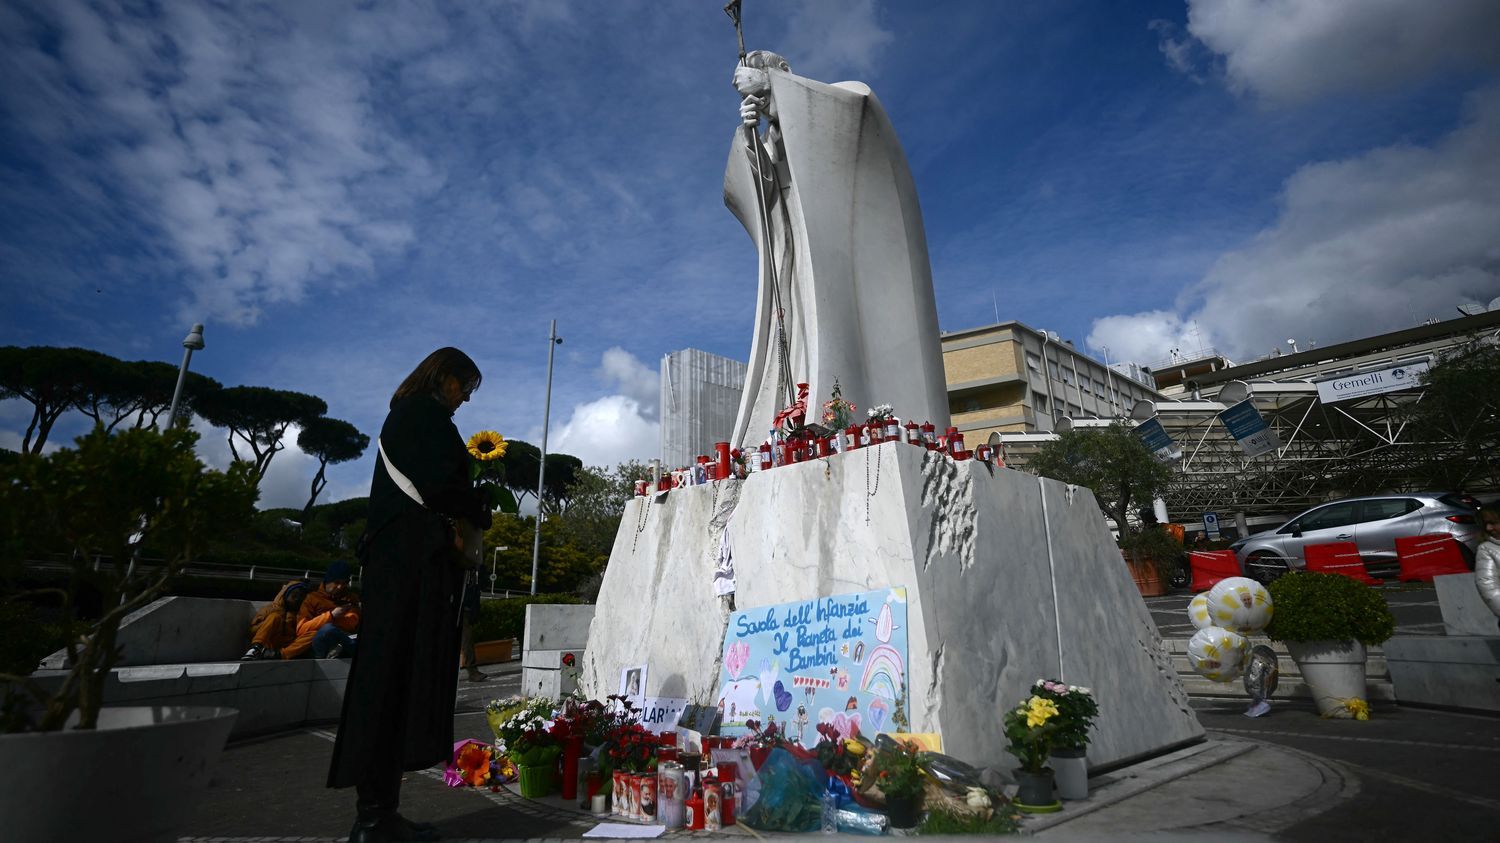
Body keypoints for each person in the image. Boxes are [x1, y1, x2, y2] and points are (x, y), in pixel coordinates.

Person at [724, 51, 950, 448]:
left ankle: (853, 419)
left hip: (830, 239)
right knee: (798, 334)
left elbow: (860, 105)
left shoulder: (838, 96)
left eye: (768, 78)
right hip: (792, 241)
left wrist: (774, 93)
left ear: (785, 74)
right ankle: (794, 423)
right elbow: (761, 195)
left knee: (830, 321)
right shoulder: (771, 137)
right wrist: (749, 137)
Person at [327, 348, 491, 843]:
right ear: (442, 377)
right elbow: (441, 485)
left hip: (398, 567)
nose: (465, 398)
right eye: (463, 385)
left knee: (390, 682)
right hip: (410, 571)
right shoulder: (423, 415)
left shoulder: (405, 417)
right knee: (396, 679)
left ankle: (378, 813)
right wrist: (478, 505)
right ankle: (374, 819)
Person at [288, 560, 361, 660]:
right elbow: (301, 629)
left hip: (345, 639)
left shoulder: (351, 598)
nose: (340, 587)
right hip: (318, 643)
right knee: (327, 630)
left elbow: (352, 622)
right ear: (328, 580)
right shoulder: (312, 598)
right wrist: (331, 616)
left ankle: (340, 648)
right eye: (336, 582)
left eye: (345, 583)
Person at [242, 580, 311, 660]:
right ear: (286, 594)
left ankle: (280, 654)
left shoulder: (303, 613)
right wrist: (269, 624)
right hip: (268, 646)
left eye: (301, 597)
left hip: (289, 648)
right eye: (294, 595)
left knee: (312, 633)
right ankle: (256, 649)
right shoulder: (270, 609)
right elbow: (251, 632)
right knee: (275, 617)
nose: (297, 599)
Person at [457, 567, 487, 682]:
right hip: (457, 606)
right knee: (466, 639)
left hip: (467, 608)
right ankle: (472, 670)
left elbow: (481, 586)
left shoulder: (476, 569)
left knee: (467, 639)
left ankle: (472, 670)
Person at [1476, 505, 1500, 632]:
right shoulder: (1487, 549)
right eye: (1486, 524)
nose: (1488, 528)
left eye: (1493, 523)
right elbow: (1488, 587)